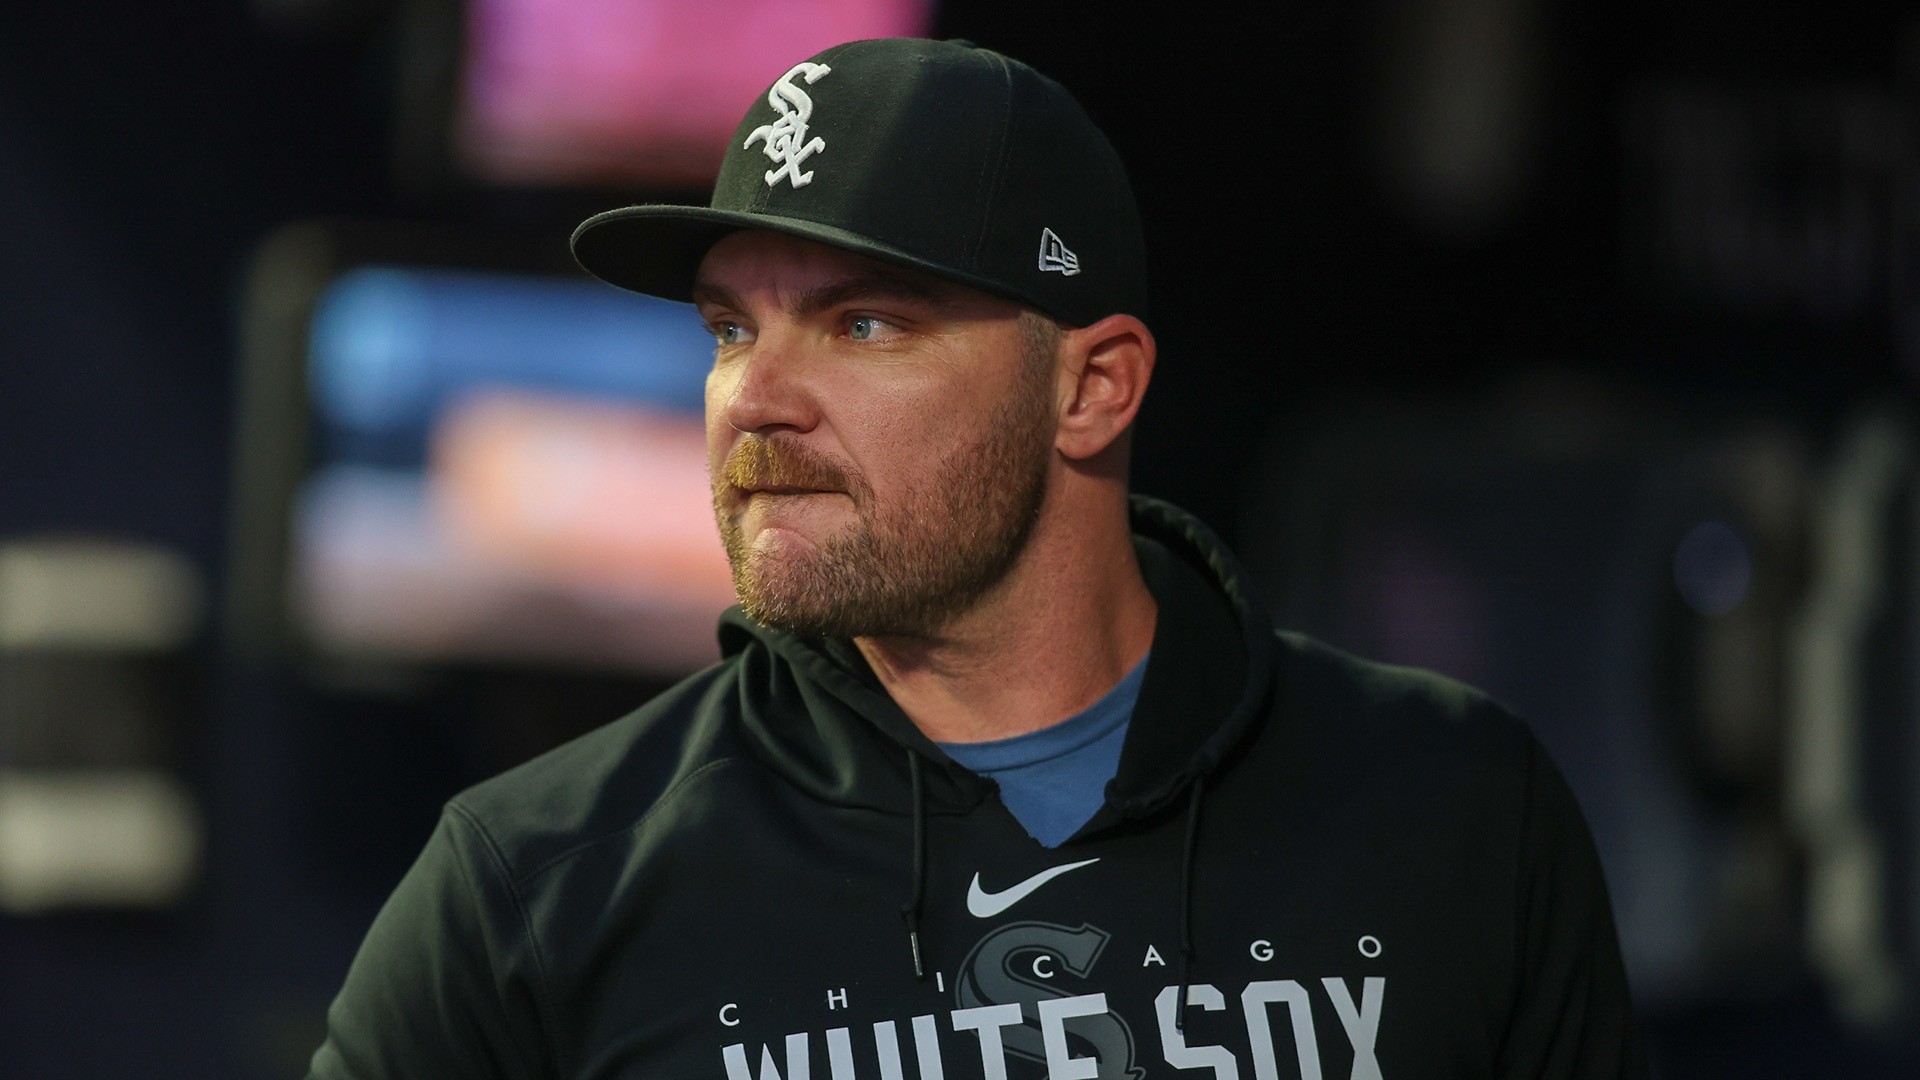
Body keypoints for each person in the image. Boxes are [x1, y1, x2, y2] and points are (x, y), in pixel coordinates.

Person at [308, 37, 1645, 1079]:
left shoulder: (1459, 815)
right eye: (728, 330)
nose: (754, 398)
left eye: (865, 325)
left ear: (1094, 389)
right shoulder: (532, 889)